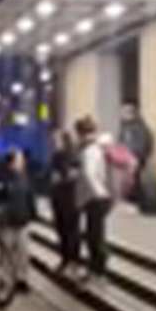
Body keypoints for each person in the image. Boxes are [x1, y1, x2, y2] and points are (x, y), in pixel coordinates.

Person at [75, 117, 113, 281]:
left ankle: (98, 269)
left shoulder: (90, 150)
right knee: (95, 233)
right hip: (99, 196)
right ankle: (97, 267)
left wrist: (98, 193)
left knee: (94, 235)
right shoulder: (97, 147)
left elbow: (89, 174)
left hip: (95, 198)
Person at [0, 148, 36, 294]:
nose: (22, 162)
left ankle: (21, 280)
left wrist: (32, 214)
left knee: (23, 252)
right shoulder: (4, 178)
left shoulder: (25, 177)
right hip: (8, 221)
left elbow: (30, 196)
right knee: (7, 251)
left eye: (22, 160)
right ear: (11, 163)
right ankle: (4, 279)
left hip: (22, 220)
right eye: (19, 160)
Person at [48, 130, 79, 274]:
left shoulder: (73, 155)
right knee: (61, 230)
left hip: (70, 198)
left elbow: (73, 174)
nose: (54, 143)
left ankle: (73, 260)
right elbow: (51, 174)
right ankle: (65, 259)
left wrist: (61, 177)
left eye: (56, 140)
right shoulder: (56, 156)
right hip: (58, 197)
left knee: (71, 231)